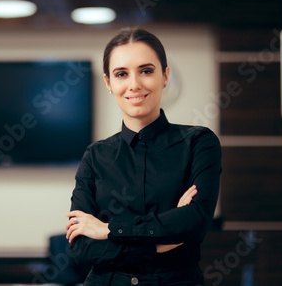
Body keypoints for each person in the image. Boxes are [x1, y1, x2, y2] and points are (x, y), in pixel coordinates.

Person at [65, 27, 222, 286]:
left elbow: (195, 223)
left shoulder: (198, 143)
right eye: (121, 74)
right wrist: (161, 241)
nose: (134, 84)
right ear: (108, 83)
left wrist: (108, 230)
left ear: (165, 76)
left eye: (146, 71)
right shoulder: (95, 156)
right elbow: (82, 249)